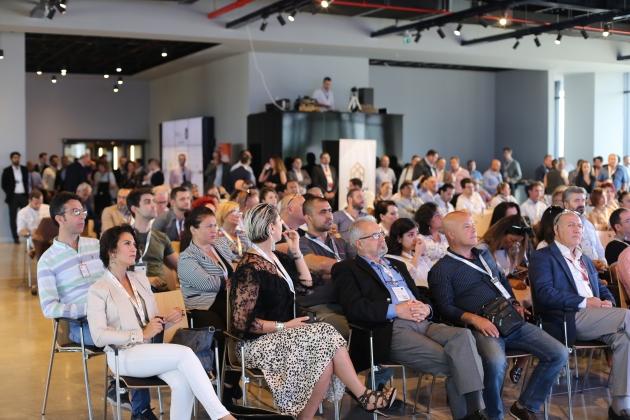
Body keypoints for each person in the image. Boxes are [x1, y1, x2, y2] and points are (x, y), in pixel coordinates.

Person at [230, 204, 395, 417]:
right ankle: (364, 395)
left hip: (286, 336)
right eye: (279, 222)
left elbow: (306, 287)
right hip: (257, 344)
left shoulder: (275, 258)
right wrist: (284, 326)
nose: (282, 226)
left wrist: (296, 251)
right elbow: (242, 322)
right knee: (325, 333)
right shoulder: (249, 267)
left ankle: (354, 399)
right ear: (271, 228)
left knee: (324, 358)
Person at [333, 216, 487, 420]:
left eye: (382, 234)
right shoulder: (347, 268)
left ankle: (475, 412)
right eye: (375, 236)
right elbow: (354, 308)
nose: (382, 238)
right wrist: (396, 310)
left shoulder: (397, 265)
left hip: (424, 323)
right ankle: (475, 414)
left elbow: (421, 295)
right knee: (457, 361)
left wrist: (427, 308)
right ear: (359, 243)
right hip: (391, 329)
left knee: (464, 336)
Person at [429, 211, 568, 420]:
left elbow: (501, 281)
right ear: (451, 234)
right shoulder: (442, 269)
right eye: (467, 226)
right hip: (480, 327)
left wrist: (514, 302)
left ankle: (525, 406)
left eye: (473, 224)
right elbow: (445, 308)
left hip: (508, 319)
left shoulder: (483, 255)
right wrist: (475, 319)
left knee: (559, 353)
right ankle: (493, 415)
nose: (474, 229)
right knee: (495, 362)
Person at [86, 224, 234, 420]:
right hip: (123, 354)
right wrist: (141, 334)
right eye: (127, 244)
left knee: (182, 382)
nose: (134, 248)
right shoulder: (98, 289)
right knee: (185, 354)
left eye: (134, 244)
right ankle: (222, 416)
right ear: (111, 251)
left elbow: (152, 323)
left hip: (151, 349)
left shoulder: (140, 279)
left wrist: (167, 320)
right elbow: (98, 337)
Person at [37, 192, 152, 416]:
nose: (83, 215)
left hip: (116, 314)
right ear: (59, 218)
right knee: (130, 335)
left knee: (141, 330)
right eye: (75, 212)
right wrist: (91, 308)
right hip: (81, 325)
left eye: (83, 211)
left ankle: (123, 390)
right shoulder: (47, 261)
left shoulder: (95, 245)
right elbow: (49, 307)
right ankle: (137, 406)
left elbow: (117, 276)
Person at [528, 210, 630, 420]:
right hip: (568, 318)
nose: (577, 229)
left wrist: (608, 302)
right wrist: (585, 302)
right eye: (571, 225)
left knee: (624, 338)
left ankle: (620, 404)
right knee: (627, 317)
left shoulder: (584, 257)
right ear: (556, 230)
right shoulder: (543, 256)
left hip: (598, 316)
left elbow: (600, 287)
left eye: (580, 226)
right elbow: (544, 293)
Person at [177, 206, 243, 404]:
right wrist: (227, 282)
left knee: (245, 329)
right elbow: (206, 283)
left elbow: (235, 266)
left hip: (226, 300)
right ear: (193, 229)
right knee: (220, 334)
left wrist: (229, 280)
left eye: (215, 225)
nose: (214, 230)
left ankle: (229, 383)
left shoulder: (220, 244)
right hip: (201, 306)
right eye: (208, 226)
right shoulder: (187, 257)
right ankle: (221, 386)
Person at [126, 187, 178, 293]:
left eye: (153, 201)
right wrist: (144, 280)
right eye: (147, 202)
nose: (154, 205)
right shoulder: (122, 238)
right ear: (135, 209)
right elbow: (113, 273)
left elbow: (181, 267)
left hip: (161, 293)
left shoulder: (161, 237)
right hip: (133, 293)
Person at [476, 215, 533, 309]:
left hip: (506, 293)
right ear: (501, 234)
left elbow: (504, 272)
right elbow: (482, 280)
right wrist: (509, 282)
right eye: (513, 240)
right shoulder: (483, 249)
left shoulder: (510, 248)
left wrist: (515, 275)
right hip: (489, 299)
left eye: (519, 241)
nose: (515, 245)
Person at [563, 186, 608, 274]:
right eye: (577, 200)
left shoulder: (588, 224)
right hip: (579, 274)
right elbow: (568, 257)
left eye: (583, 200)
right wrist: (590, 264)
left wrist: (602, 261)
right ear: (566, 204)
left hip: (597, 271)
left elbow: (599, 248)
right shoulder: (563, 226)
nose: (581, 204)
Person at [385, 218, 432, 287]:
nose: (416, 239)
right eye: (411, 235)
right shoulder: (390, 259)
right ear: (399, 238)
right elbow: (405, 278)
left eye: (417, 234)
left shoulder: (423, 258)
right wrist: (418, 254)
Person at [2, 152, 29, 243]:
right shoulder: (7, 170)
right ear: (11, 159)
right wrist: (9, 193)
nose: (17, 159)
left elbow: (27, 182)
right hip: (13, 197)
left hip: (23, 196)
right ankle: (15, 238)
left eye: (18, 157)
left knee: (26, 216)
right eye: (15, 157)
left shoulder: (24, 169)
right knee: (13, 218)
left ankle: (28, 236)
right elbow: (3, 184)